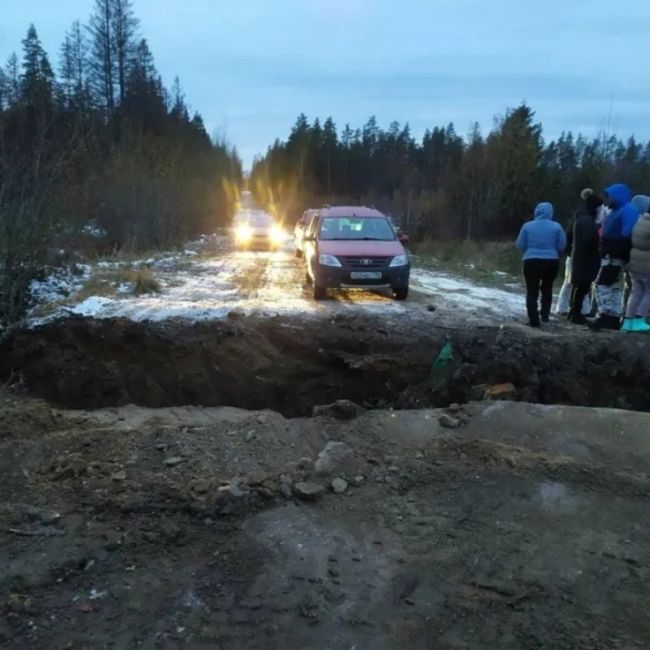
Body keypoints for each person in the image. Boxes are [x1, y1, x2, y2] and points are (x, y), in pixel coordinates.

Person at [591, 184, 641, 330]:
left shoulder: (627, 210)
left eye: (610, 197)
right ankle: (610, 316)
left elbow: (626, 234)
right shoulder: (619, 210)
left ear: (618, 196)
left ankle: (608, 315)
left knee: (603, 285)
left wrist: (616, 251)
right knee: (612, 286)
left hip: (615, 253)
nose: (607, 200)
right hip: (611, 251)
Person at [516, 202, 567, 327]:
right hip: (551, 261)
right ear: (551, 212)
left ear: (536, 212)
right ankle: (545, 315)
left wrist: (529, 251)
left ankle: (533, 320)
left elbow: (520, 244)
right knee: (547, 287)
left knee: (532, 290)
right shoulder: (556, 227)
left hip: (531, 260)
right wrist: (553, 251)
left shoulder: (527, 226)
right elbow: (562, 245)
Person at [556, 188, 596, 317]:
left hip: (574, 254)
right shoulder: (585, 218)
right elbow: (568, 238)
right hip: (577, 255)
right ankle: (573, 308)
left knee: (572, 282)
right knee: (579, 282)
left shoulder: (578, 217)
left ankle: (567, 307)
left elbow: (567, 238)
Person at [568, 192, 603, 324]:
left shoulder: (581, 218)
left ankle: (573, 312)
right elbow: (589, 240)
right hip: (586, 258)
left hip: (579, 256)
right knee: (582, 287)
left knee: (578, 286)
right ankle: (576, 313)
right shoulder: (588, 221)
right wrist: (598, 249)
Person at [622, 196, 650, 332]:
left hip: (635, 263)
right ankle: (639, 321)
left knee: (636, 292)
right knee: (648, 292)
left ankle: (628, 322)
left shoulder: (639, 222)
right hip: (647, 264)